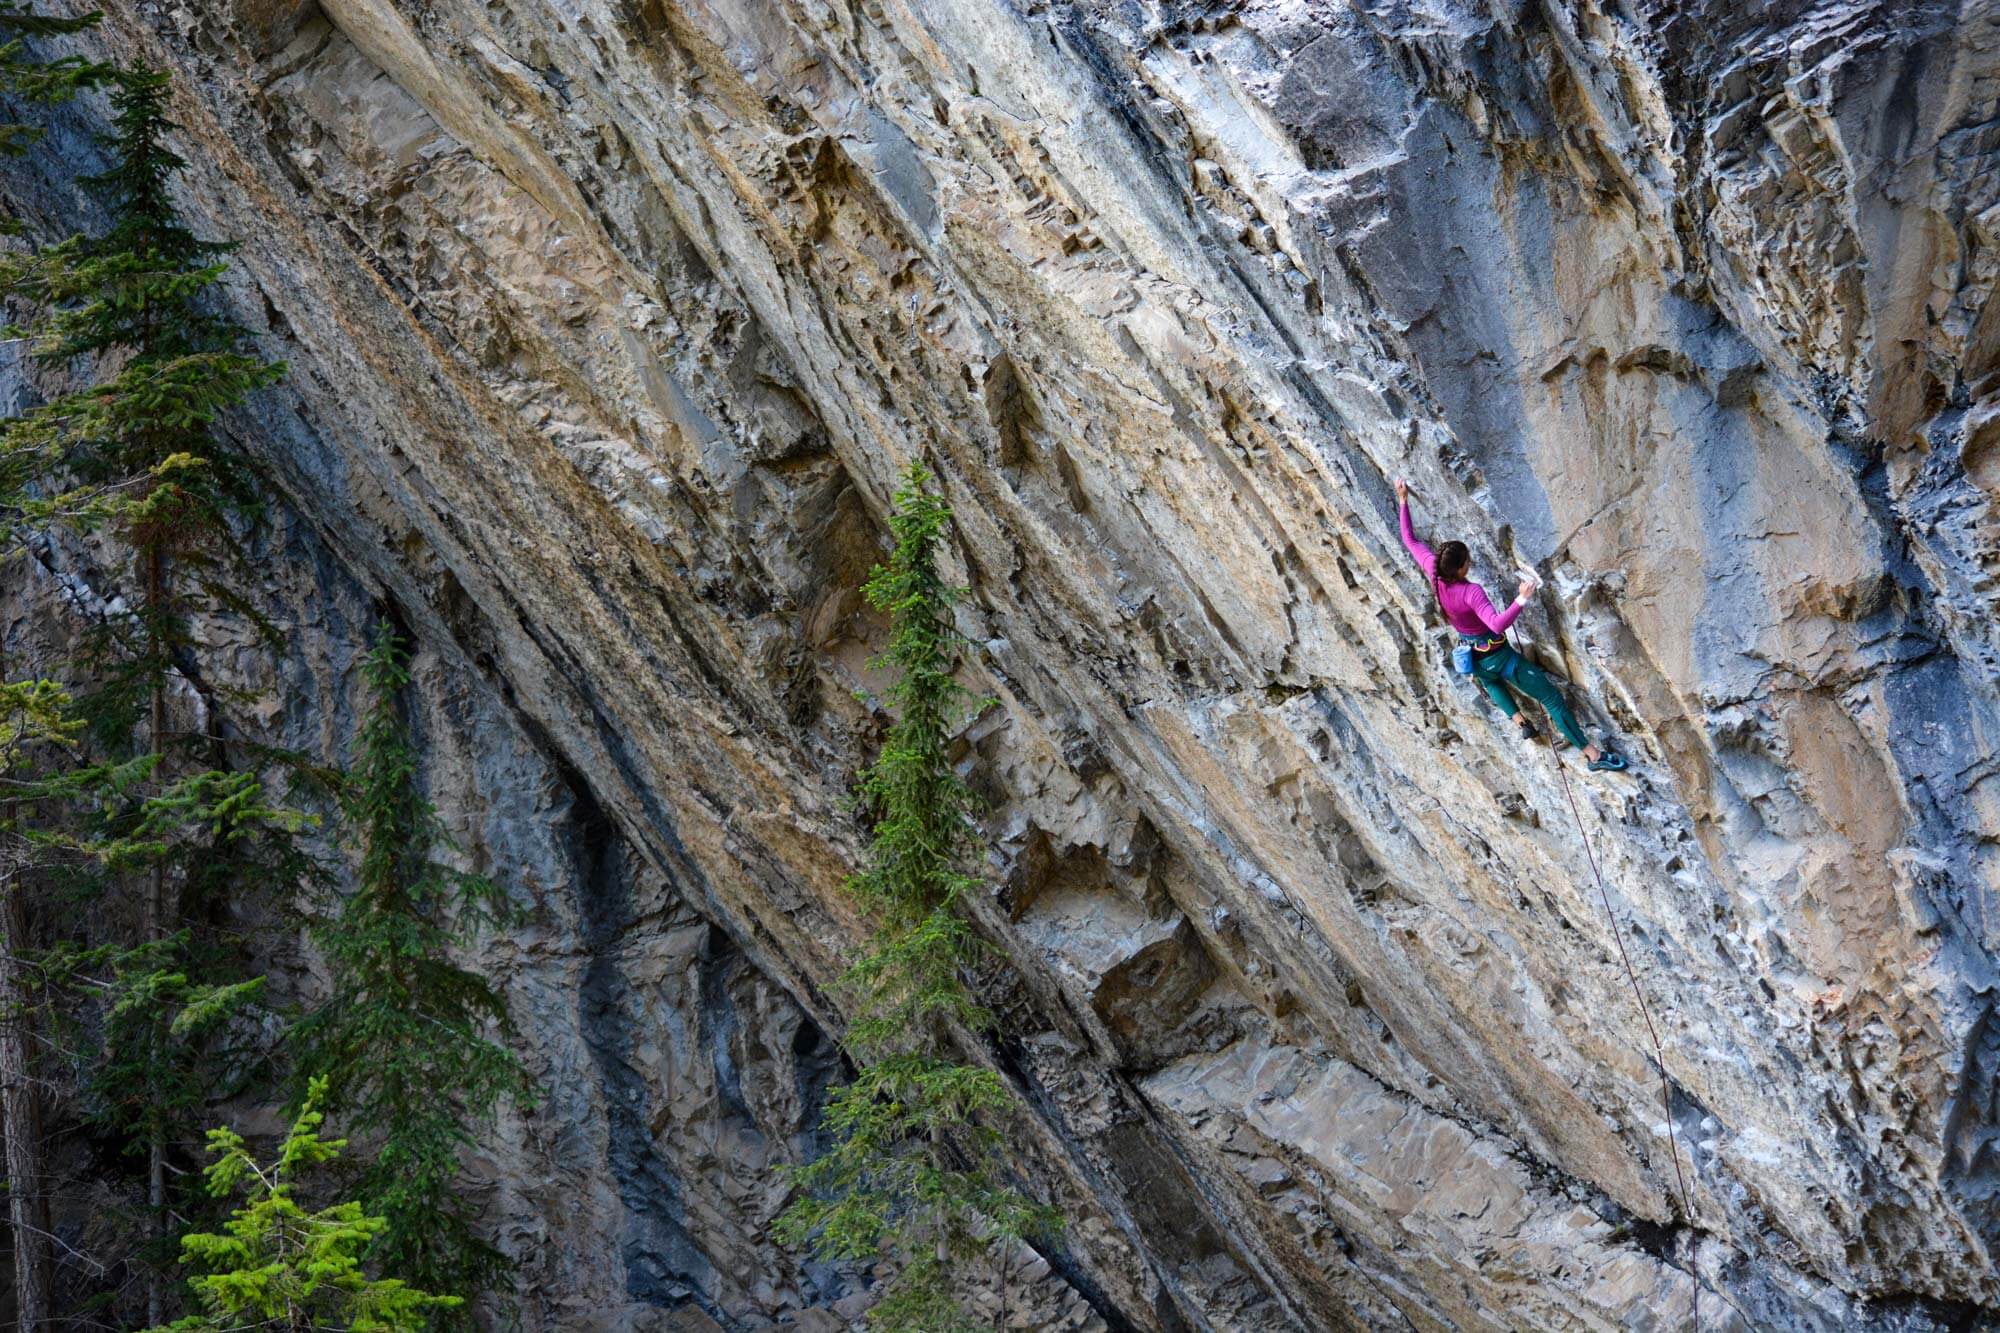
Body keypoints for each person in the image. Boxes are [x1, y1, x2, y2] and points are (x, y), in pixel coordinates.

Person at [1395, 479, 1627, 772]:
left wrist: (1403, 501)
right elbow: (1496, 623)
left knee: (1490, 682)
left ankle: (1520, 721)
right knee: (1552, 699)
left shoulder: (1434, 574)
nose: (1470, 563)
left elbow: (1410, 540)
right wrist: (1521, 599)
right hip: (1499, 657)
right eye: (1467, 561)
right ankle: (1593, 756)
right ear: (1461, 568)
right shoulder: (1470, 592)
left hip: (1472, 656)